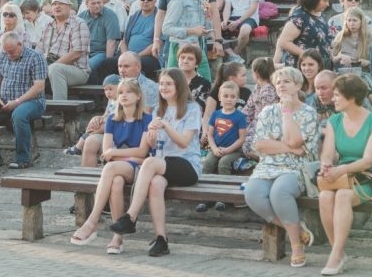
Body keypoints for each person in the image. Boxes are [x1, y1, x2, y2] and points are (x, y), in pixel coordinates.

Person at [105, 69, 202, 256]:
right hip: (163, 163)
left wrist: (165, 125)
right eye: (162, 84)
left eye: (168, 84)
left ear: (178, 86)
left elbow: (183, 142)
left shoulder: (192, 108)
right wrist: (150, 136)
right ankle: (161, 239)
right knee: (156, 184)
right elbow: (155, 144)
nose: (163, 87)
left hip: (187, 164)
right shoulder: (159, 109)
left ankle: (131, 217)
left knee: (149, 163)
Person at [244, 66, 320, 269]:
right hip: (267, 165)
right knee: (252, 194)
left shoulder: (309, 113)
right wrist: (290, 148)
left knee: (280, 192)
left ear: (298, 85)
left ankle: (296, 246)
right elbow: (260, 145)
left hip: (296, 167)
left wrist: (286, 112)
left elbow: (297, 143)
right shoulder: (267, 111)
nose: (281, 85)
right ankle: (297, 229)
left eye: (286, 81)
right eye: (278, 82)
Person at [316, 73, 372, 276]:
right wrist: (326, 165)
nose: (333, 98)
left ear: (351, 98)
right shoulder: (334, 120)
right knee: (324, 196)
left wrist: (340, 169)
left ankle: (335, 256)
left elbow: (368, 160)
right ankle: (338, 253)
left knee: (343, 195)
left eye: (338, 95)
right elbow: (329, 153)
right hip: (344, 175)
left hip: (371, 175)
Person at [70, 79, 153, 253]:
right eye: (121, 92)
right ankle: (117, 237)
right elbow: (106, 150)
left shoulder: (146, 119)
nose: (123, 96)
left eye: (128, 92)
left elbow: (142, 152)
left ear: (138, 96)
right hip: (119, 166)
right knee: (115, 182)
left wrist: (116, 154)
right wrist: (117, 154)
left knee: (109, 168)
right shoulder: (112, 120)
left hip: (138, 167)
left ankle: (92, 221)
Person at [0, 31, 47, 169]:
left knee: (19, 114)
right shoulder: (2, 57)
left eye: (11, 51)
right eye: (6, 51)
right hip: (6, 100)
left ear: (20, 44)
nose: (9, 55)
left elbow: (39, 86)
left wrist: (18, 101)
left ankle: (23, 158)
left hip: (32, 101)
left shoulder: (35, 57)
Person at [276, 0, 333, 69]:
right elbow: (284, 42)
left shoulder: (321, 15)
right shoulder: (300, 16)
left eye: (328, 1)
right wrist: (307, 55)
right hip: (302, 68)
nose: (327, 4)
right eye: (324, 0)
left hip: (320, 66)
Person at [203, 81, 248, 175]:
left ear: (237, 99)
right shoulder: (215, 114)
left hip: (234, 151)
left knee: (223, 163)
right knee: (207, 163)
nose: (229, 99)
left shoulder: (240, 116)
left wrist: (228, 150)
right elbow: (210, 135)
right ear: (219, 97)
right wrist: (214, 149)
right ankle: (205, 186)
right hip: (216, 149)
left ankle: (225, 186)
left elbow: (242, 138)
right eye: (225, 96)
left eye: (233, 97)